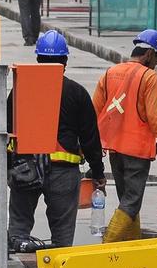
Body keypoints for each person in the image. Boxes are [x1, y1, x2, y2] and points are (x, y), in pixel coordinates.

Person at [6, 31, 105, 252]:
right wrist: (97, 173)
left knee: (18, 232)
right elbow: (90, 138)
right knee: (62, 241)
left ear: (38, 58)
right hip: (63, 174)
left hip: (26, 169)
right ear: (65, 61)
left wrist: (7, 167)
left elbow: (6, 130)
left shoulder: (20, 88)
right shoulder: (76, 92)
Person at [92, 29, 157, 243]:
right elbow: (155, 117)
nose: (156, 64)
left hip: (114, 150)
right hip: (137, 151)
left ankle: (132, 247)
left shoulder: (110, 73)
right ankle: (106, 247)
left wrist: (89, 147)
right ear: (149, 54)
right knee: (131, 202)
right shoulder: (149, 76)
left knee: (126, 202)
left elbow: (95, 112)